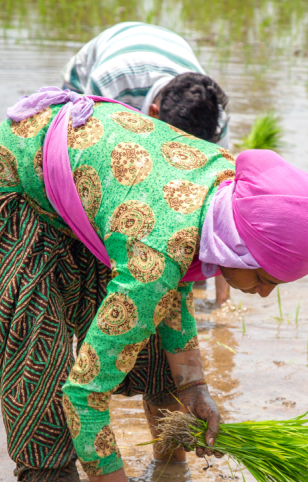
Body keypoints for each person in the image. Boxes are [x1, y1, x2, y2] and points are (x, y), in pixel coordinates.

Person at [0, 87, 308, 482]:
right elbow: (84, 399)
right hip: (9, 191)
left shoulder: (221, 186)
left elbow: (172, 283)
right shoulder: (158, 246)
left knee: (153, 353)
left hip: (95, 195)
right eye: (262, 277)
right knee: (43, 388)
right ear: (238, 244)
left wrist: (195, 387)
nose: (262, 292)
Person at [62, 21, 232, 305]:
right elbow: (92, 160)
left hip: (165, 56)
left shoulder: (213, 116)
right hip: (89, 77)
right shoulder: (111, 83)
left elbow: (220, 199)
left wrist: (222, 302)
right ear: (153, 112)